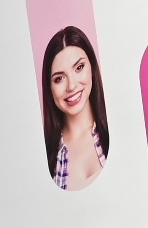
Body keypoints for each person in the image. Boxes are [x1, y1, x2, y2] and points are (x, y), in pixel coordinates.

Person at [42, 26, 109, 191]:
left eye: (79, 68)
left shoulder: (115, 129)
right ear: (49, 88)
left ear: (92, 68)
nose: (71, 86)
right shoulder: (47, 155)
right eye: (59, 78)